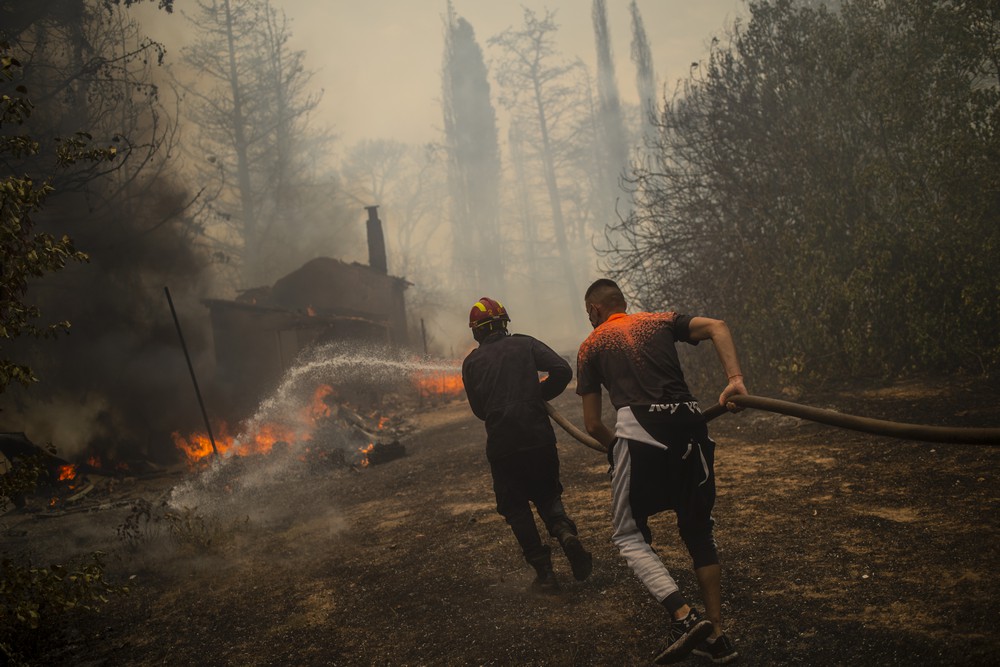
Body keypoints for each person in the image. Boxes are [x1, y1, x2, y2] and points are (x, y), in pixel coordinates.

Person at [576, 279, 745, 665]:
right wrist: (735, 381)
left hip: (639, 431)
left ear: (595, 310)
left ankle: (684, 618)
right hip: (690, 424)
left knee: (628, 533)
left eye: (588, 313)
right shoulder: (658, 321)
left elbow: (592, 425)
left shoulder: (592, 345)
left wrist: (618, 452)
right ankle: (717, 636)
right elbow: (718, 326)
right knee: (698, 528)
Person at [461, 296, 593, 593]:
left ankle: (545, 574)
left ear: (476, 331)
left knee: (515, 507)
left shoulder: (471, 363)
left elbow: (480, 410)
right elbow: (562, 370)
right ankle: (565, 533)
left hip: (503, 446)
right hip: (539, 439)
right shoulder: (525, 344)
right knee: (547, 494)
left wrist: (510, 402)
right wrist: (536, 394)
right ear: (504, 324)